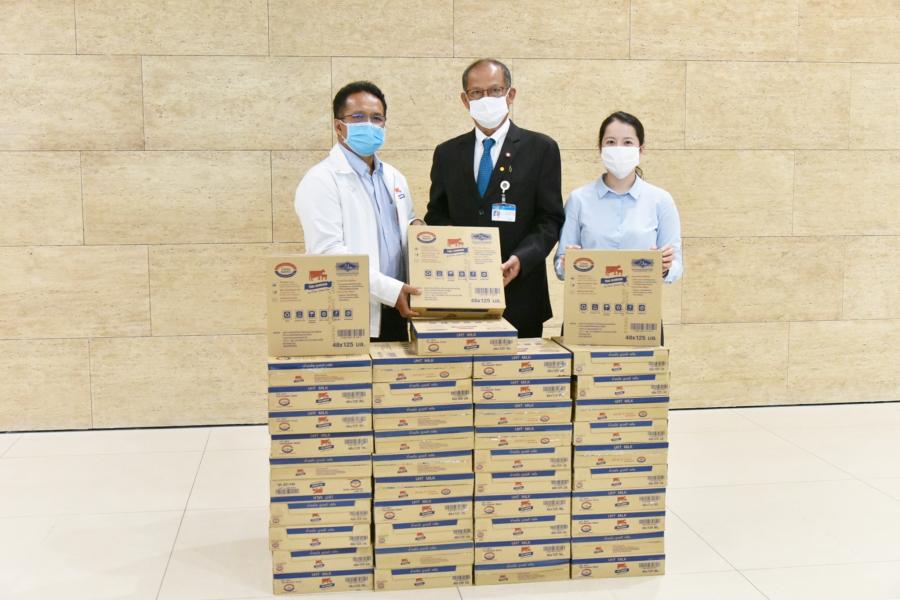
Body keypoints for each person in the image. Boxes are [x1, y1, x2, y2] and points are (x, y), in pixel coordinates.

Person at [425, 58, 564, 338]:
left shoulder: (541, 148)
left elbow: (549, 219)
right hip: (461, 291)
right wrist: (455, 245)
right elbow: (436, 213)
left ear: (510, 95)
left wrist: (521, 259)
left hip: (520, 292)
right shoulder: (447, 153)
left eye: (495, 90)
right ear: (465, 100)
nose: (486, 98)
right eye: (476, 92)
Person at [295, 81, 421, 342]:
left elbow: (401, 232)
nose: (369, 125)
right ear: (339, 126)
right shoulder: (321, 180)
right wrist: (389, 290)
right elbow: (327, 253)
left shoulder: (394, 178)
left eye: (377, 118)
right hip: (352, 312)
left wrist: (417, 230)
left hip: (398, 309)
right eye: (358, 117)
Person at [554, 111, 683, 341]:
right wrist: (567, 262)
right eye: (611, 142)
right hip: (587, 316)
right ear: (600, 148)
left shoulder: (660, 200)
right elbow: (560, 268)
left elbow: (676, 266)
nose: (619, 149)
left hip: (641, 318)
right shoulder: (579, 199)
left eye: (628, 142)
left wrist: (663, 266)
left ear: (641, 149)